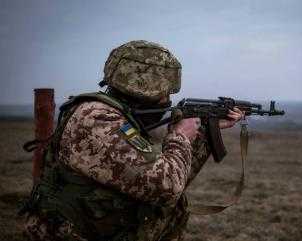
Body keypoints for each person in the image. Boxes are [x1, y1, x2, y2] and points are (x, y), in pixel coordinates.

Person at [22, 40, 243, 241]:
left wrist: (204, 131)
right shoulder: (98, 120)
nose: (168, 100)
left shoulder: (112, 113)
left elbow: (171, 176)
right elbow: (166, 188)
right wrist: (180, 136)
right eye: (165, 93)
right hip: (67, 231)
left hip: (90, 221)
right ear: (146, 88)